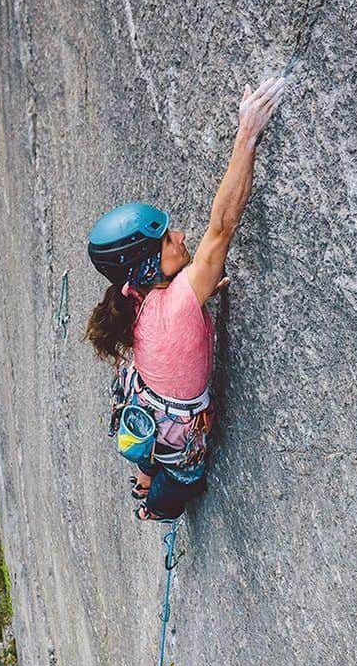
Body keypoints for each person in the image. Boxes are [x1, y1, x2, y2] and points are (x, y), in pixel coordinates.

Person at [84, 74, 286, 520]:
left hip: (141, 403)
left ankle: (143, 475)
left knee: (150, 452)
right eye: (168, 239)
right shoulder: (176, 303)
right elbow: (222, 225)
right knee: (185, 481)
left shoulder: (132, 294)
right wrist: (247, 132)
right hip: (175, 431)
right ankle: (153, 509)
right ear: (150, 265)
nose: (180, 236)